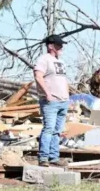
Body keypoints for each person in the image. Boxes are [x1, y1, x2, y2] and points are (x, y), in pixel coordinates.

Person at [33, 34, 70, 166]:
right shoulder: (44, 59)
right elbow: (38, 76)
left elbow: (63, 80)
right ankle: (43, 157)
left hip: (63, 101)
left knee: (57, 131)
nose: (61, 48)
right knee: (48, 128)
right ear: (50, 46)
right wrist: (47, 93)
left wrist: (67, 96)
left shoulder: (60, 61)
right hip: (51, 101)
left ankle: (54, 157)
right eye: (59, 45)